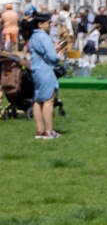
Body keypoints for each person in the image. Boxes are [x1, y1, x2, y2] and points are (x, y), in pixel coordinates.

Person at [25, 12, 62, 140]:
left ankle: (40, 131)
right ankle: (48, 132)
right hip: (46, 71)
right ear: (40, 24)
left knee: (38, 100)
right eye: (48, 23)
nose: (50, 25)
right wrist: (58, 54)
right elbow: (52, 57)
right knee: (48, 100)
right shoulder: (43, 36)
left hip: (36, 70)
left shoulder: (33, 37)